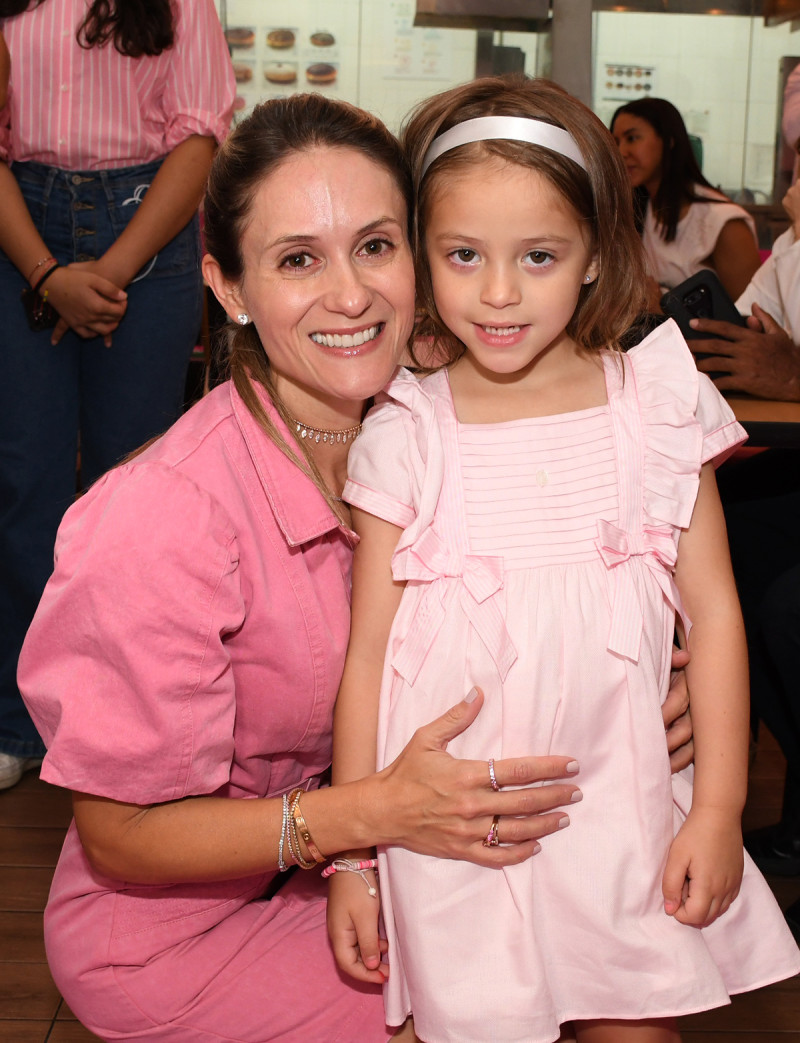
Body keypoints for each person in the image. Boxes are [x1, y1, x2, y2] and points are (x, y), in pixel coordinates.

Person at [15, 92, 618, 1043]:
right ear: (228, 286)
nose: (351, 295)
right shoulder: (167, 514)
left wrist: (639, 692)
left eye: (376, 246)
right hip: (177, 931)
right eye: (299, 259)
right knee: (500, 993)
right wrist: (368, 816)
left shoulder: (439, 424)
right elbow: (119, 834)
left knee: (611, 954)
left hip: (371, 861)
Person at [327, 75, 800, 1043]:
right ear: (422, 252)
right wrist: (352, 855)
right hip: (453, 835)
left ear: (593, 256)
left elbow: (712, 612)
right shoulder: (409, 425)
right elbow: (367, 654)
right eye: (462, 255)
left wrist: (715, 806)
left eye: (536, 256)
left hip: (620, 812)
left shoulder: (651, 404)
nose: (497, 293)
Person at [0, 0, 235, 790]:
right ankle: (17, 719)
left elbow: (199, 138)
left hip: (149, 224)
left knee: (128, 491)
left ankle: (117, 724)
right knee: (22, 481)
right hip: (16, 222)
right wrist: (45, 274)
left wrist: (107, 270)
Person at [610, 97, 760, 307]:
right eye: (616, 142)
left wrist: (663, 312)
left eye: (632, 138)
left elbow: (752, 321)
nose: (621, 152)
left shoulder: (723, 223)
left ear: (670, 141)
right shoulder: (637, 209)